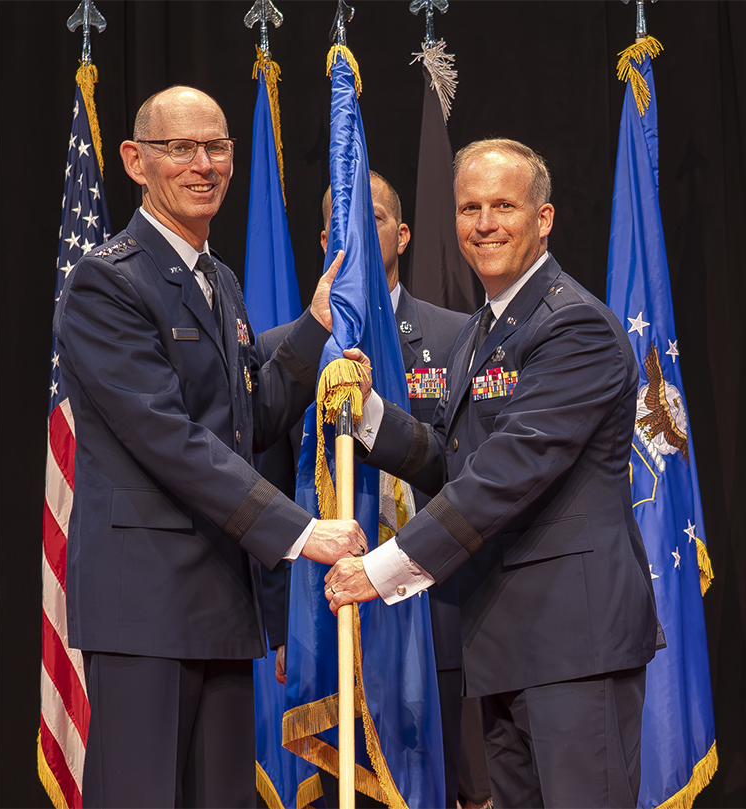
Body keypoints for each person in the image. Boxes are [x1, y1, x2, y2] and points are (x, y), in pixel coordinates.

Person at [53, 85, 368, 808]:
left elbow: (247, 418)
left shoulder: (218, 279)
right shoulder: (108, 280)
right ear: (136, 161)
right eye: (180, 148)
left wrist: (316, 325)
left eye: (217, 147)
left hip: (220, 604)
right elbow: (171, 438)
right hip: (146, 607)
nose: (204, 164)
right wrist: (300, 531)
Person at [323, 138, 661, 807]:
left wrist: (382, 569)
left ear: (544, 218)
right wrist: (368, 417)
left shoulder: (574, 328)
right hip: (505, 641)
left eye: (503, 205)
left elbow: (507, 472)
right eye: (469, 207)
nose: (483, 223)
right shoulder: (482, 329)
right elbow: (458, 461)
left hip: (574, 645)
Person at [260, 170, 474, 807]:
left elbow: (462, 470)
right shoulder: (284, 349)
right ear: (325, 237)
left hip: (433, 608)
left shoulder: (454, 337)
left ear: (403, 234)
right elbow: (267, 485)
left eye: (373, 218)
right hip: (325, 614)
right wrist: (279, 623)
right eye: (341, 223)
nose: (354, 231)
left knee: (440, 777)